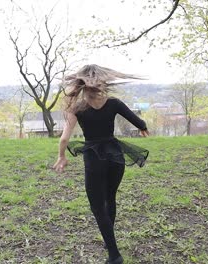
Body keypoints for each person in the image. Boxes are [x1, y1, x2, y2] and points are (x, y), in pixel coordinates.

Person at [53, 65, 149, 264]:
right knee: (109, 198)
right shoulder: (113, 103)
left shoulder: (76, 108)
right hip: (116, 157)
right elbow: (137, 121)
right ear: (102, 82)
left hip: (94, 159)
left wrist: (62, 156)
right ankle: (109, 241)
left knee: (97, 206)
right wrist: (143, 128)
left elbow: (64, 139)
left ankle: (114, 255)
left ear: (81, 85)